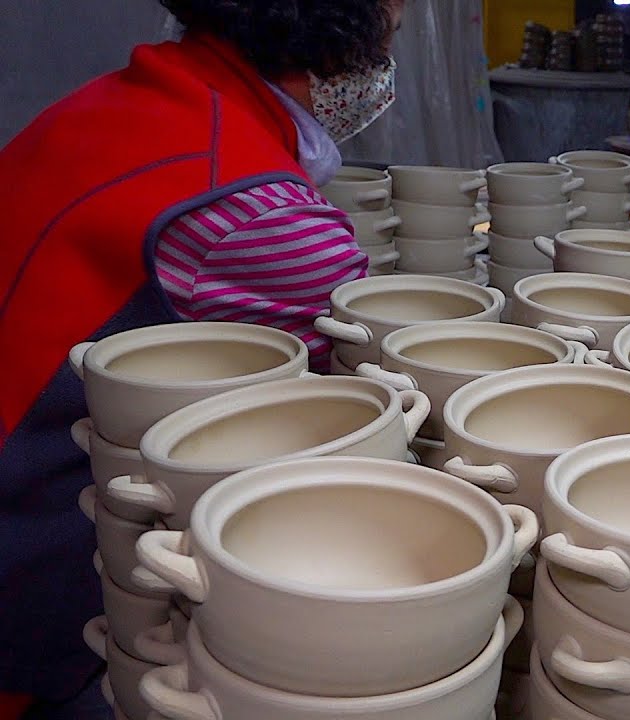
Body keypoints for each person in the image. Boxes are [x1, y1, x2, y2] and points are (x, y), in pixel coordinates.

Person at [0, 1, 404, 714]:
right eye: (392, 28)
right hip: (48, 585)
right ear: (341, 40)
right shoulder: (263, 217)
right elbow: (357, 421)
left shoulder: (123, 101)